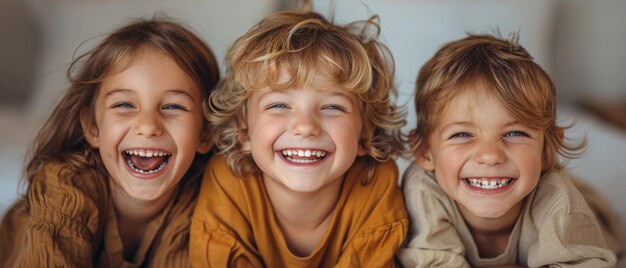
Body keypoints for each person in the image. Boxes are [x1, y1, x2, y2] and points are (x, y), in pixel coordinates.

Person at [190, 9, 409, 267]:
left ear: (365, 133)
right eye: (279, 105)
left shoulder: (376, 185)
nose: (305, 127)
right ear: (244, 130)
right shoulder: (228, 181)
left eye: (333, 107)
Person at [0, 18, 220, 267]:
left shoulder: (203, 202)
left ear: (205, 133)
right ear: (93, 127)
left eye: (173, 106)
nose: (148, 126)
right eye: (124, 105)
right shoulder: (64, 188)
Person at [397, 33, 620, 267]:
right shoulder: (422, 191)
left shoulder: (559, 204)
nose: (490, 155)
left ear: (548, 150)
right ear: (424, 152)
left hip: (586, 221)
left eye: (515, 133)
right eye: (462, 134)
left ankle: (600, 111)